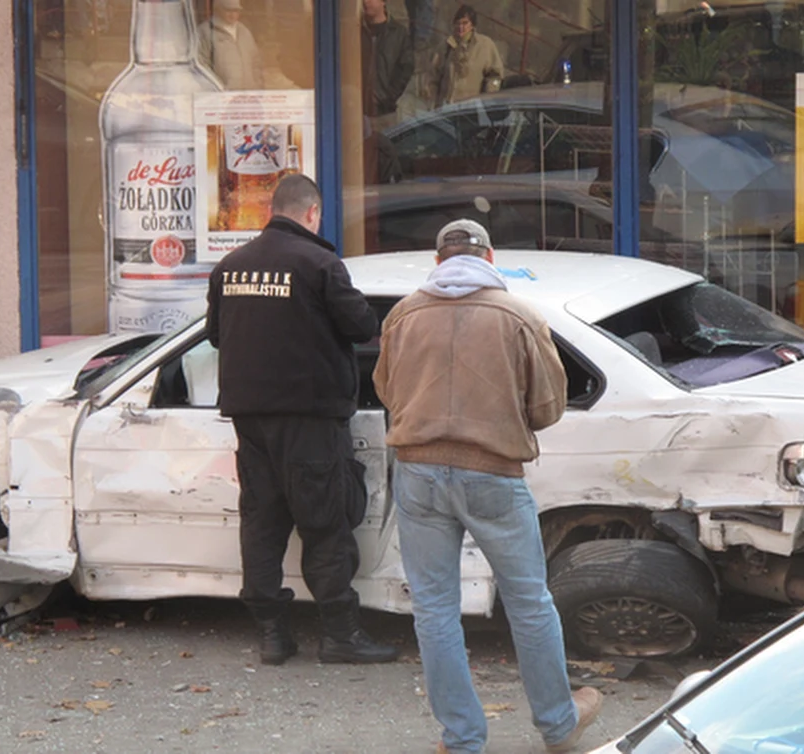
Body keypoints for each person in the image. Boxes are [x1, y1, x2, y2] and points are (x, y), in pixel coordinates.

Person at [373, 219, 603, 754]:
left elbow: (386, 390)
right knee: (528, 601)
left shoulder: (403, 314)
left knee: (433, 608)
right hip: (493, 475)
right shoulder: (519, 316)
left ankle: (462, 740)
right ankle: (558, 725)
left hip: (419, 472)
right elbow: (547, 409)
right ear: (490, 258)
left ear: (437, 262)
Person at [205, 174, 399, 667]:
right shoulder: (319, 264)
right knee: (326, 524)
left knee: (262, 522)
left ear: (275, 210)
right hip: (310, 418)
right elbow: (363, 327)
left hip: (249, 418)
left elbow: (215, 335)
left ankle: (272, 635)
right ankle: (340, 634)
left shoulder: (231, 266)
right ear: (313, 213)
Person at [429, 5, 504, 107]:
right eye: (458, 23)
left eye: (465, 23)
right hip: (446, 109)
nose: (461, 27)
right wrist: (433, 103)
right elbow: (433, 77)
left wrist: (489, 97)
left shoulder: (485, 46)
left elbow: (495, 75)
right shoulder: (446, 46)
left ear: (472, 25)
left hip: (470, 110)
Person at [361, 0, 414, 132]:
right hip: (358, 113)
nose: (365, 2)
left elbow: (405, 69)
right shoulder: (356, 31)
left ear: (383, 2)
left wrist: (389, 97)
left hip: (385, 114)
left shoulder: (398, 33)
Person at [198, 0, 263, 90]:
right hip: (222, 97)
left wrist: (257, 85)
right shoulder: (206, 31)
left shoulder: (244, 31)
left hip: (249, 96)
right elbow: (201, 65)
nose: (233, 15)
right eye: (228, 10)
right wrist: (216, 89)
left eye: (236, 11)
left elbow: (256, 62)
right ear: (219, 10)